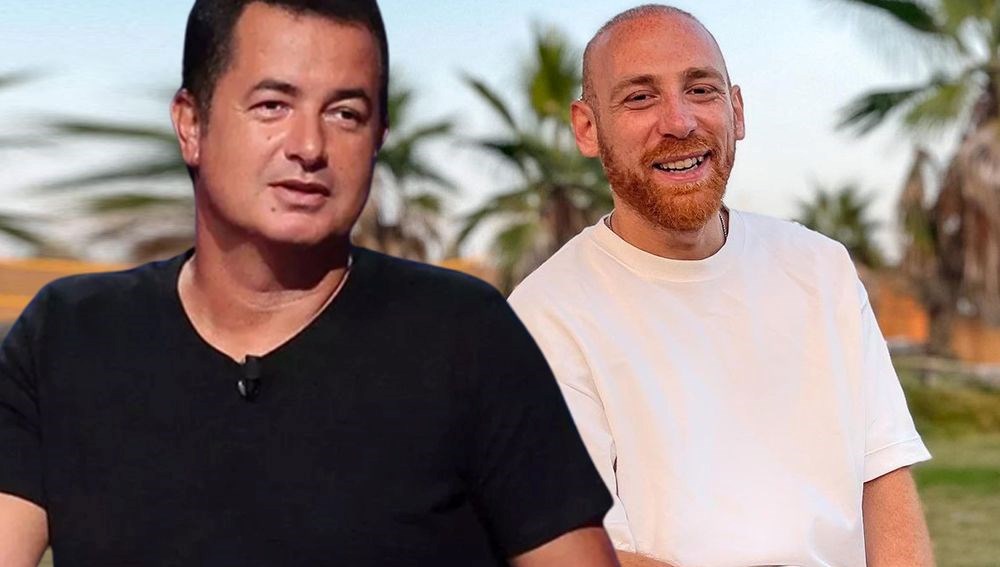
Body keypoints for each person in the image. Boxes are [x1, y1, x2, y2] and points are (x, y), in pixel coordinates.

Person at [0, 2, 620, 565]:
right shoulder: (69, 336)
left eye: (345, 113)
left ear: (378, 138)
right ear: (191, 123)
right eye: (273, 105)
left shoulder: (464, 335)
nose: (309, 146)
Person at [508, 5, 934, 567]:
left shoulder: (820, 267)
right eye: (640, 97)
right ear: (587, 128)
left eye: (700, 90)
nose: (679, 122)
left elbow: (884, 475)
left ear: (736, 110)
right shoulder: (543, 317)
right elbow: (585, 554)